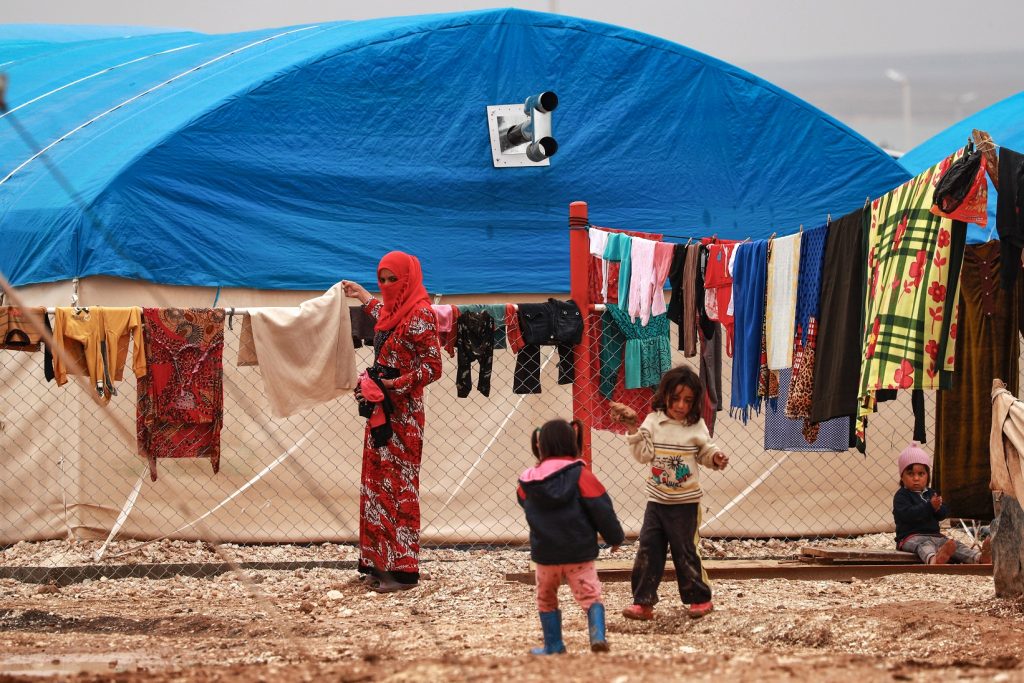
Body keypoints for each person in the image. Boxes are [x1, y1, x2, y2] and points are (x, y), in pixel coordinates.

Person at [341, 251, 443, 593]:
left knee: (398, 487)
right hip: (380, 410)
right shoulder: (393, 312)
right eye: (381, 279)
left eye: (392, 280)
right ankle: (376, 564)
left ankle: (402, 571)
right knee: (375, 483)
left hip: (404, 415)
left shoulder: (422, 314)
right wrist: (362, 294)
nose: (385, 286)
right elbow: (384, 315)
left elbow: (433, 368)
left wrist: (393, 384)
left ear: (408, 280)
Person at [609, 365, 729, 620]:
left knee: (685, 550)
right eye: (675, 398)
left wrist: (716, 458)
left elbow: (705, 451)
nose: (681, 405)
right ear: (664, 396)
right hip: (657, 502)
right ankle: (643, 602)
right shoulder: (654, 421)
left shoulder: (696, 426)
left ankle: (699, 598)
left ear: (695, 402)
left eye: (688, 400)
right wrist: (632, 428)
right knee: (648, 550)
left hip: (686, 503)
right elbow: (644, 455)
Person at [517, 418, 625, 655]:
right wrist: (615, 537)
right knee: (590, 596)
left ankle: (554, 645)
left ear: (540, 445)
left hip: (545, 555)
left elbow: (524, 501)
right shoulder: (582, 475)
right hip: (579, 553)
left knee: (546, 598)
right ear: (573, 443)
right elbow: (602, 510)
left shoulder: (527, 480)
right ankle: (597, 636)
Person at [893, 441, 991, 565]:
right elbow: (908, 515)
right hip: (910, 537)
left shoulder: (931, 493)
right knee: (924, 546)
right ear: (902, 477)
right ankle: (934, 560)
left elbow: (943, 515)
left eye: (921, 474)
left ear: (928, 476)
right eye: (910, 474)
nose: (916, 478)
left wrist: (938, 508)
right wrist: (929, 507)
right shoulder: (902, 495)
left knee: (955, 545)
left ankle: (979, 558)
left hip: (935, 536)